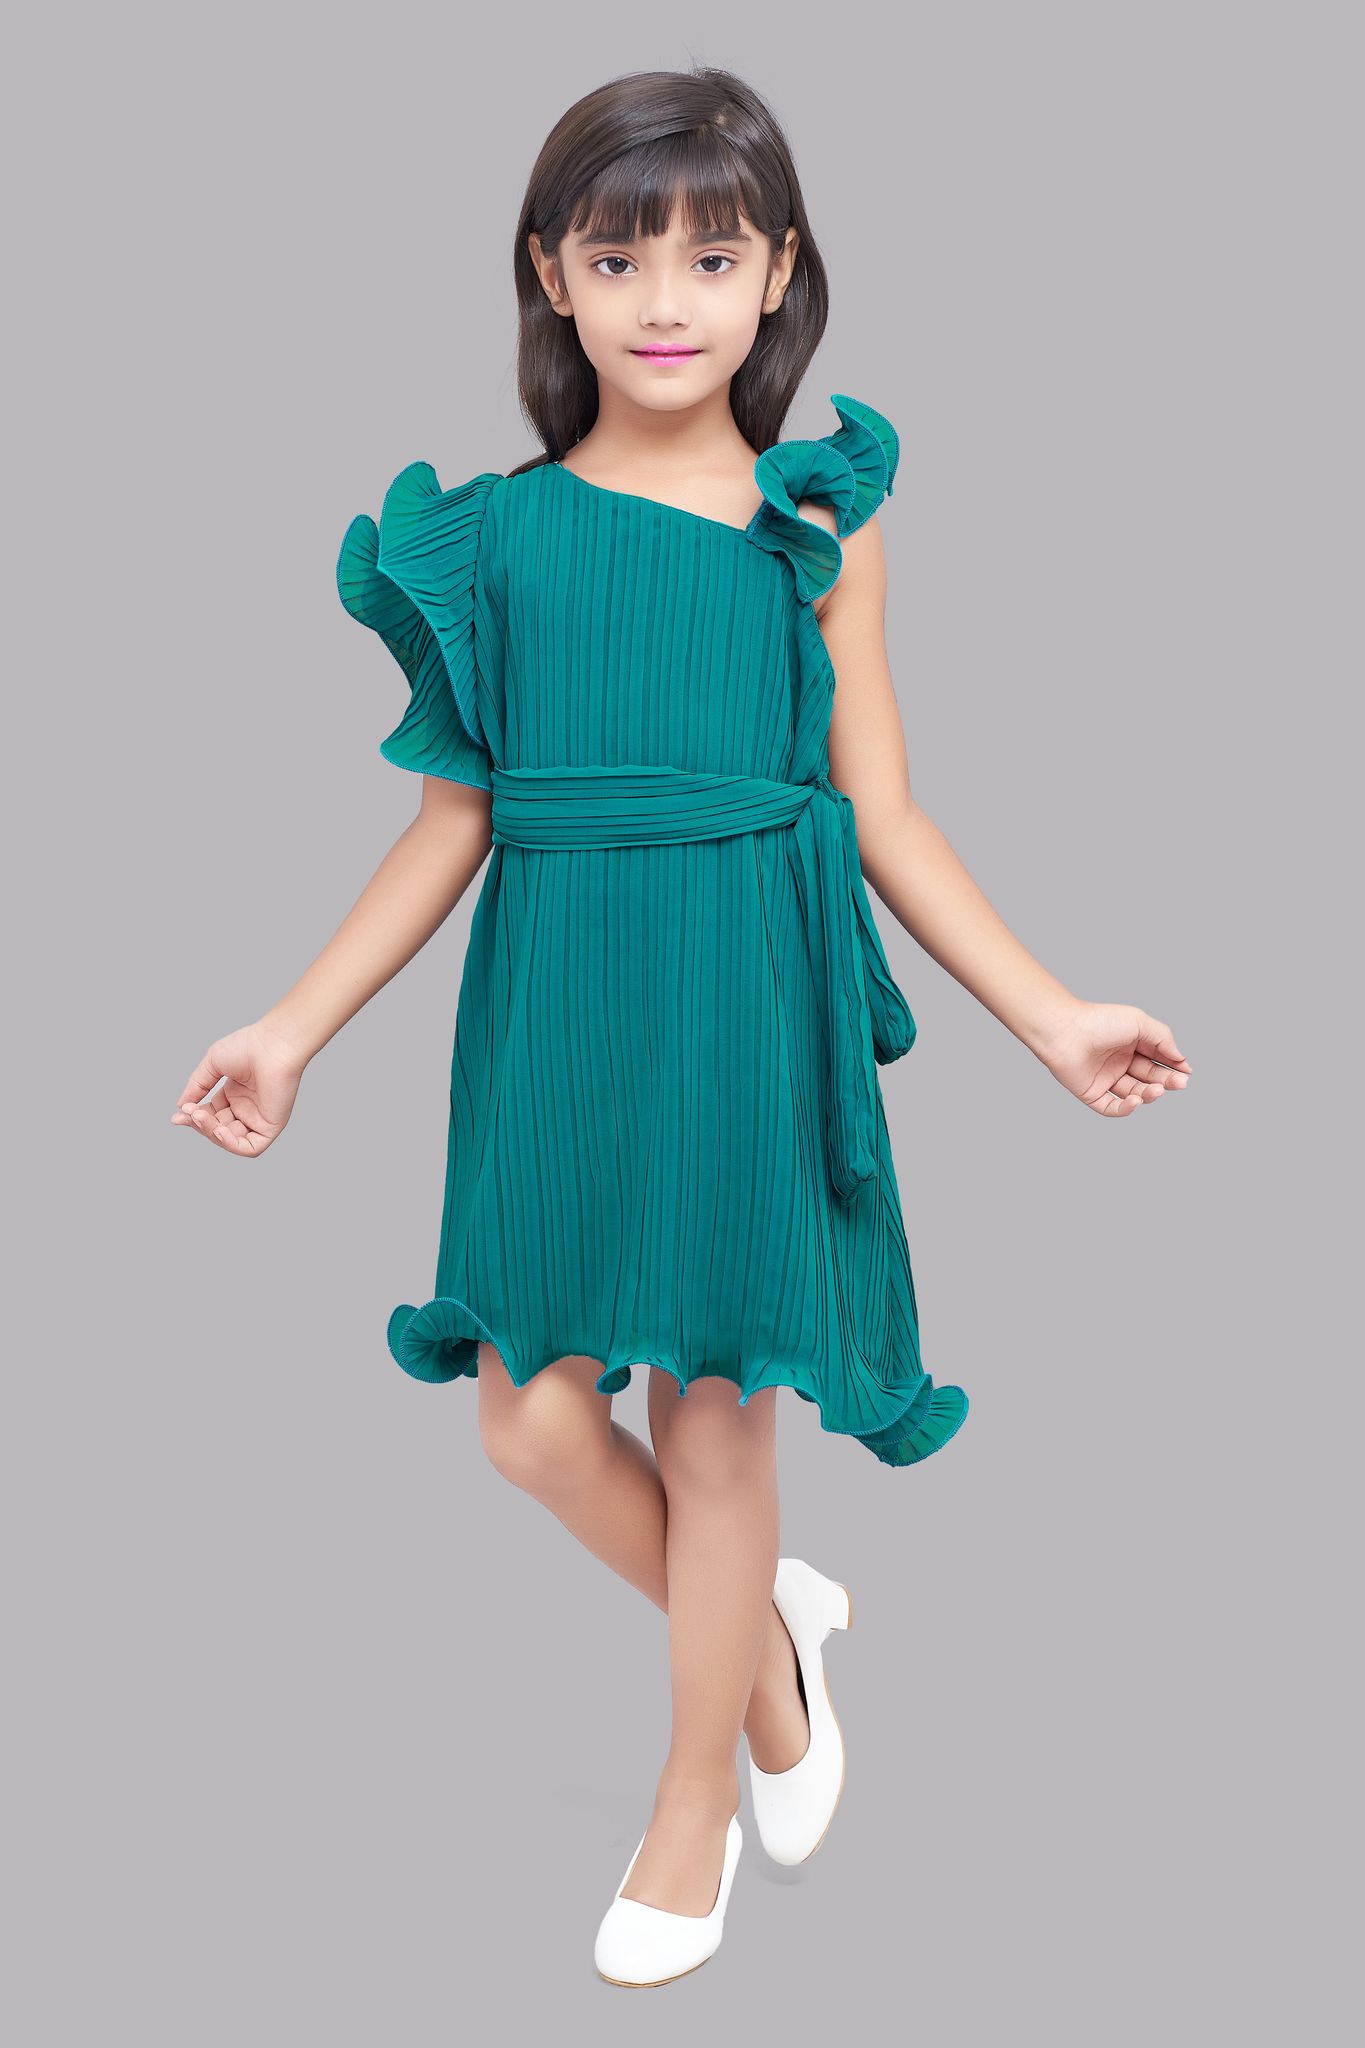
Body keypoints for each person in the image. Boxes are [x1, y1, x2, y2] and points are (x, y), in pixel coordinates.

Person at [171, 66, 1192, 1988]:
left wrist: (1050, 1016)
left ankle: (688, 1803)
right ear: (548, 274)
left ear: (779, 274)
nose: (665, 299)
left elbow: (885, 813)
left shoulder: (813, 527)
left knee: (714, 1423)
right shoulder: (491, 541)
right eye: (619, 255)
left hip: (743, 990)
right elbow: (449, 825)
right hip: (557, 1005)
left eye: (713, 258)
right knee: (529, 1419)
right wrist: (290, 1027)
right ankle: (772, 1661)